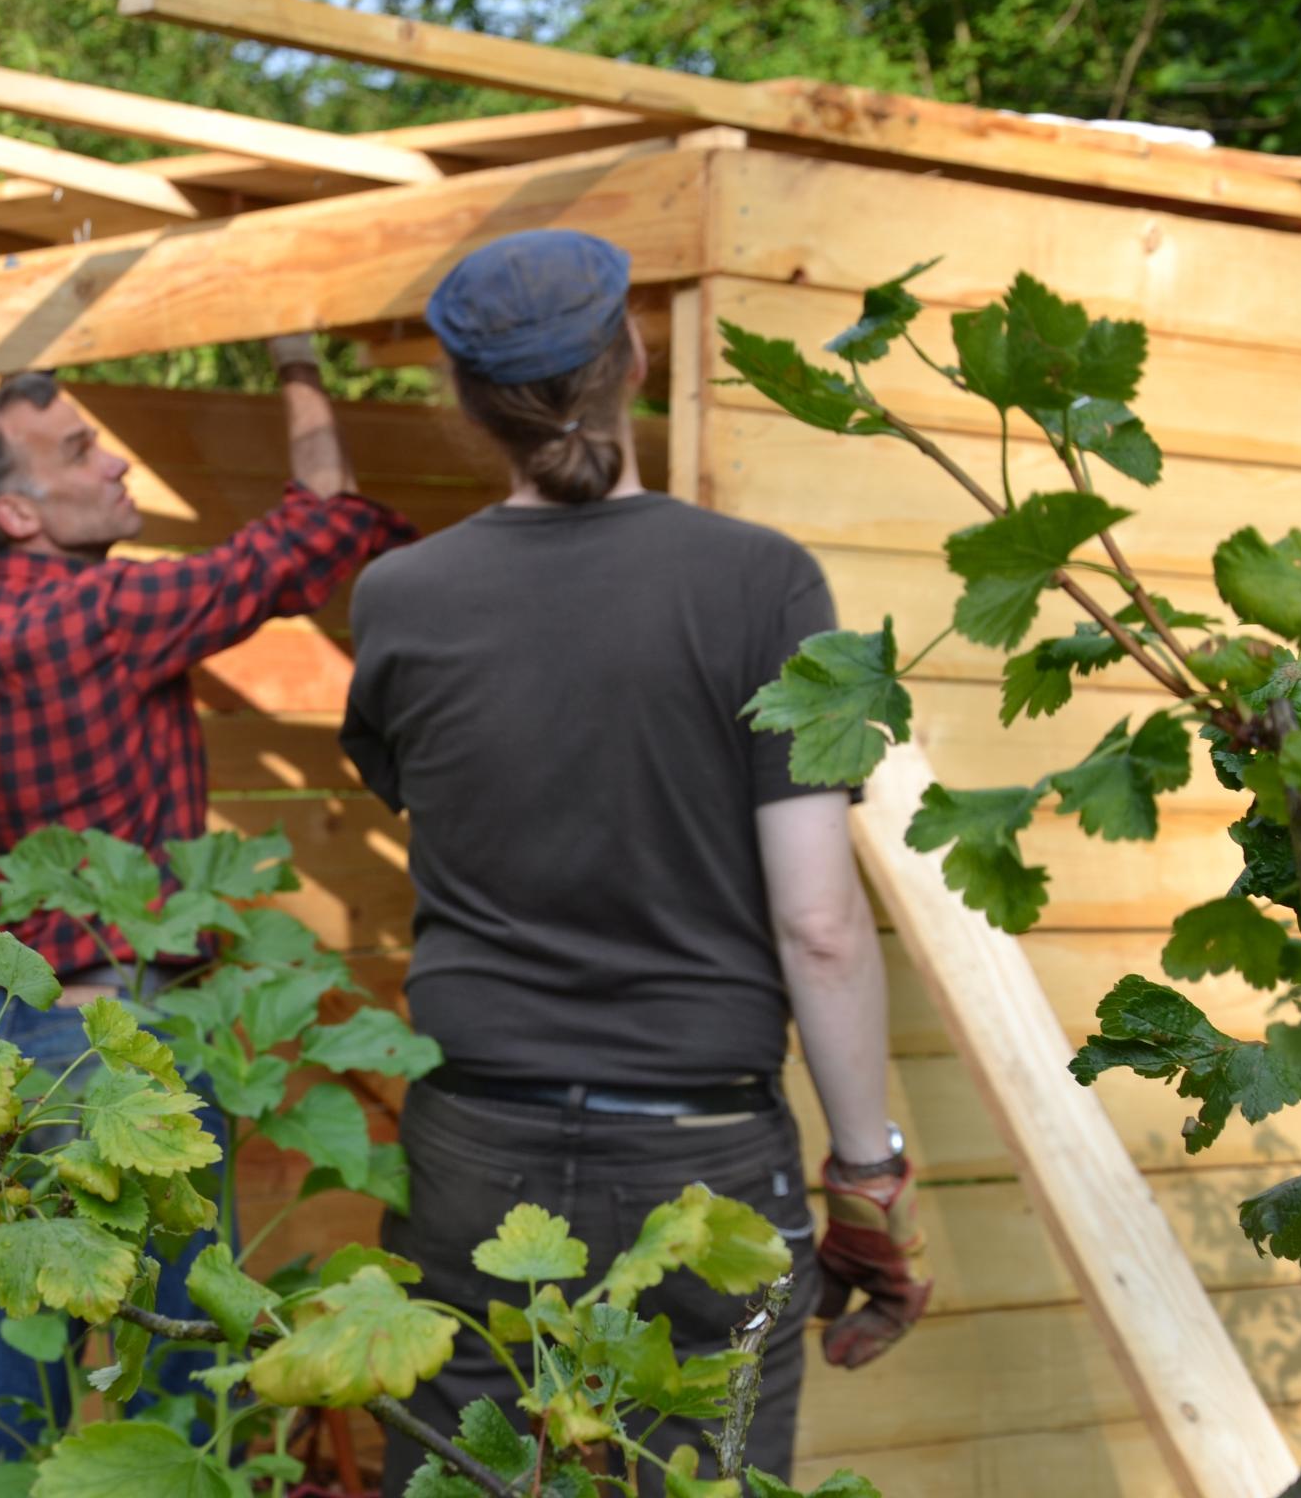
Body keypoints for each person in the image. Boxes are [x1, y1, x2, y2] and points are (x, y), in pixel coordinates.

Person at [339, 231, 932, 1494]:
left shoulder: (398, 597)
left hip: (471, 1153)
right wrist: (869, 1178)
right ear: (638, 359)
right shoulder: (762, 584)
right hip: (701, 1163)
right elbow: (820, 925)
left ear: (464, 400)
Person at [0, 341, 415, 1466]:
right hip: (129, 1033)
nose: (117, 463)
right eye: (80, 451)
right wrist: (298, 363)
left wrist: (15, 401)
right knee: (186, 1370)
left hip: (12, 1037)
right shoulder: (108, 614)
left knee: (23, 1377)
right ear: (18, 515)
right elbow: (318, 521)